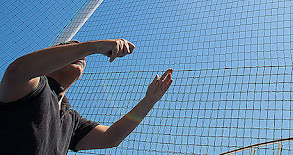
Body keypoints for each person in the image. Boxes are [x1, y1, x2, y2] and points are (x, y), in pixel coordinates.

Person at [0, 38, 173, 154]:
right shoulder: (34, 87)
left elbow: (111, 137)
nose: (81, 57)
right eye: (72, 49)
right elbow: (17, 71)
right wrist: (93, 47)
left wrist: (149, 101)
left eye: (82, 56)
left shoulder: (71, 119)